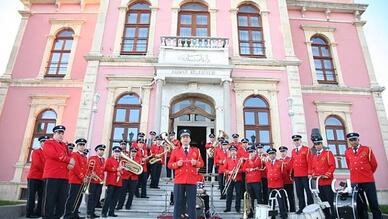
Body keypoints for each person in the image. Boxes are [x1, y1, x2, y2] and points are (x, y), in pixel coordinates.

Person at [168, 129, 204, 219]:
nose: (185, 139)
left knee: (192, 205)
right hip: (179, 180)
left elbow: (202, 163)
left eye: (187, 137)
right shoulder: (175, 151)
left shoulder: (196, 150)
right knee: (177, 204)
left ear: (190, 139)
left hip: (191, 181)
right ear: (180, 140)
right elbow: (169, 165)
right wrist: (176, 164)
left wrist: (195, 163)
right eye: (183, 137)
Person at [345, 132, 382, 219]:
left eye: (354, 139)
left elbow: (374, 164)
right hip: (355, 182)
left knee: (373, 204)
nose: (353, 142)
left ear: (358, 140)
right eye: (351, 140)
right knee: (360, 205)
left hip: (368, 181)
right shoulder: (347, 152)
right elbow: (349, 165)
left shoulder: (367, 149)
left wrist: (367, 173)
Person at [42, 125, 74, 219]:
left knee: (62, 199)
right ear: (54, 133)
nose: (61, 135)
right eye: (59, 133)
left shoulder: (64, 145)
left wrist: (71, 164)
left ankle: (57, 216)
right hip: (52, 175)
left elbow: (71, 157)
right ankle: (47, 217)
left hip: (64, 176)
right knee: (50, 199)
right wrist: (68, 160)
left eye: (62, 133)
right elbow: (53, 155)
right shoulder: (48, 143)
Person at [309, 136, 336, 219]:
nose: (317, 146)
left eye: (318, 144)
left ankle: (334, 216)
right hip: (319, 183)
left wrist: (326, 175)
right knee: (323, 202)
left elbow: (332, 166)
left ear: (321, 144)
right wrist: (313, 174)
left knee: (330, 201)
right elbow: (313, 168)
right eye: (315, 144)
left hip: (327, 182)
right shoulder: (314, 156)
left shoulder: (328, 153)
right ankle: (327, 216)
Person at [64, 138, 88, 219]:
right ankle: (67, 215)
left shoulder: (84, 156)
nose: (82, 146)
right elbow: (75, 167)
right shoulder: (74, 154)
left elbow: (85, 168)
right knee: (72, 198)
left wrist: (86, 177)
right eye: (80, 145)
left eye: (83, 145)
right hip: (75, 180)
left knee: (79, 199)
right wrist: (82, 177)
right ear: (77, 146)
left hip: (81, 181)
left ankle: (75, 215)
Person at [290, 134, 313, 214]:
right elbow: (292, 163)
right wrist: (291, 174)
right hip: (297, 175)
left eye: (297, 140)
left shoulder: (306, 149)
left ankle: (310, 207)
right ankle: (301, 207)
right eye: (295, 141)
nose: (296, 142)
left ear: (300, 141)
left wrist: (310, 172)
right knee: (299, 192)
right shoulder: (293, 151)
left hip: (305, 174)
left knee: (308, 191)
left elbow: (309, 162)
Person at [26, 135, 48, 218]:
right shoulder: (36, 152)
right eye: (43, 141)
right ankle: (29, 213)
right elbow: (37, 164)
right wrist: (48, 170)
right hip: (34, 177)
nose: (44, 143)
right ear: (40, 143)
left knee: (41, 196)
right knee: (31, 195)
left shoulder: (47, 153)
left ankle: (38, 212)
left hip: (43, 178)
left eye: (46, 142)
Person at [102, 146, 123, 217]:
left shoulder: (121, 161)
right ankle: (104, 212)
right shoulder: (109, 159)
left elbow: (123, 171)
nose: (117, 154)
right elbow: (105, 168)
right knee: (108, 198)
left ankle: (111, 212)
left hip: (118, 182)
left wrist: (121, 170)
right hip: (111, 181)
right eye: (116, 152)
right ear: (113, 153)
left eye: (118, 152)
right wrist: (116, 169)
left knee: (115, 198)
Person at [266, 148, 287, 219]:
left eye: (272, 154)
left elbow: (284, 173)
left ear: (275, 154)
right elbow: (267, 172)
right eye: (270, 154)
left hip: (278, 184)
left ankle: (283, 215)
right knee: (272, 202)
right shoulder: (267, 163)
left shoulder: (280, 162)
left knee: (281, 201)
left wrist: (279, 178)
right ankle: (273, 216)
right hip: (270, 184)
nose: (271, 155)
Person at [86, 144, 106, 219]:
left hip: (99, 181)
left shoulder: (103, 159)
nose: (101, 151)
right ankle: (89, 213)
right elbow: (88, 169)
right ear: (96, 151)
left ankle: (92, 212)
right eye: (100, 150)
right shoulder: (92, 158)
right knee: (91, 197)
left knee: (97, 197)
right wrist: (92, 176)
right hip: (93, 181)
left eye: (103, 150)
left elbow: (102, 170)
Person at [242, 146, 262, 217]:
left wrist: (250, 163)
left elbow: (258, 166)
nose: (250, 153)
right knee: (250, 198)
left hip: (256, 181)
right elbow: (244, 169)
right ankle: (250, 212)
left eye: (252, 152)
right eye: (249, 152)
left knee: (258, 197)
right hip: (249, 181)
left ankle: (260, 212)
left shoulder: (258, 159)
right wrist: (249, 169)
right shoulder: (248, 160)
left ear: (255, 152)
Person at [223, 144, 243, 213]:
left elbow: (243, 169)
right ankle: (228, 208)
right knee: (229, 193)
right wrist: (229, 172)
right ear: (230, 152)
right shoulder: (227, 160)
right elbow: (224, 169)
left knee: (238, 193)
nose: (233, 152)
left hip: (238, 179)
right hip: (230, 178)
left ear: (236, 152)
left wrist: (237, 171)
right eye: (232, 151)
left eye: (234, 151)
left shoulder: (239, 160)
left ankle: (238, 208)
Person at [279, 146, 295, 213]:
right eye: (281, 152)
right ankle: (285, 210)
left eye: (284, 151)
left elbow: (292, 169)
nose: (283, 153)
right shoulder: (279, 161)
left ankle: (292, 210)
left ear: (286, 152)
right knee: (283, 197)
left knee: (290, 196)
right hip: (281, 182)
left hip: (289, 181)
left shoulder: (290, 159)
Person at [116, 140, 131, 210]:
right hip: (120, 175)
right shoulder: (117, 153)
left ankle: (122, 205)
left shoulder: (128, 153)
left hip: (127, 175)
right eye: (122, 144)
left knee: (124, 192)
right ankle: (119, 205)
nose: (123, 146)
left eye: (124, 144)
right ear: (120, 145)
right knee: (120, 192)